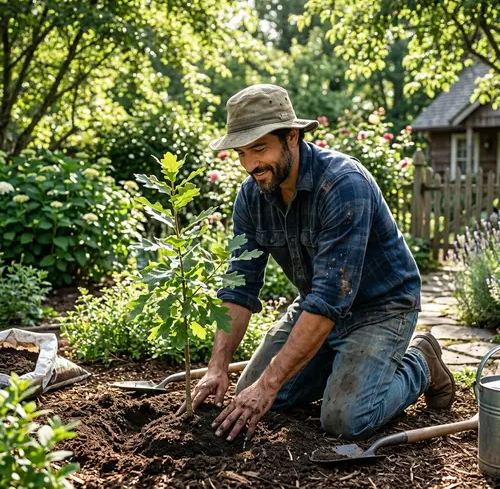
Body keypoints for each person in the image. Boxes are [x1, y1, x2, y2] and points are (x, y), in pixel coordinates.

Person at [178, 84, 455, 443]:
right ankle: (346, 367)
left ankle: (421, 362)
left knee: (345, 419)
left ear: (292, 137)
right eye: (242, 153)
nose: (250, 165)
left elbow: (330, 298)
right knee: (254, 393)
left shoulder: (343, 184)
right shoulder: (252, 196)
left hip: (381, 307)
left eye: (259, 149)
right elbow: (240, 284)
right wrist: (217, 366)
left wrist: (272, 381)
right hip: (317, 307)